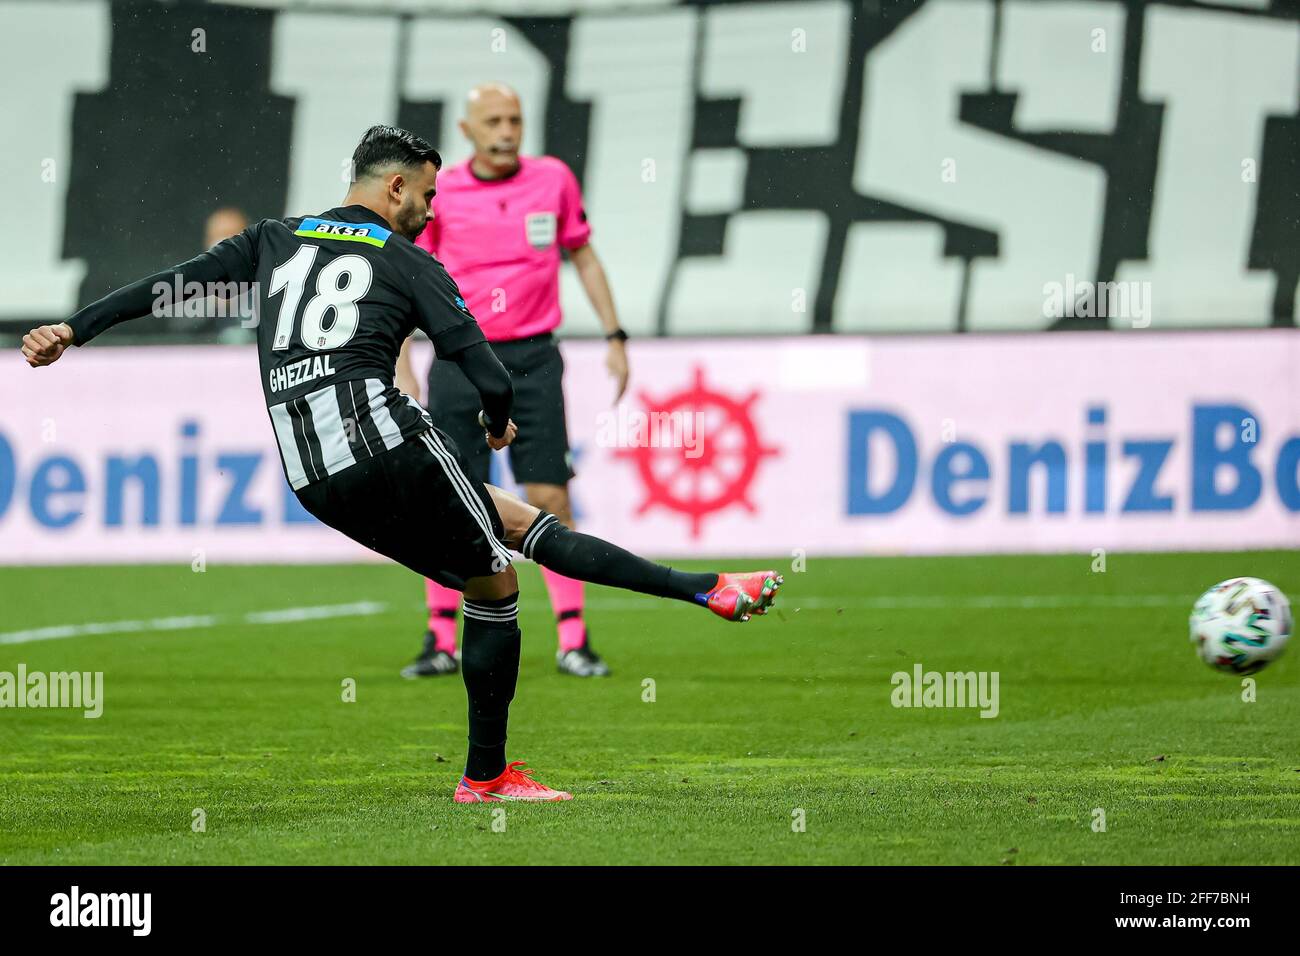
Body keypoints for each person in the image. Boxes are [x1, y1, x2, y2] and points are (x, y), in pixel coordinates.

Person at [21, 125, 782, 804]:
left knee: (515, 531)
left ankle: (705, 589)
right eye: (423, 194)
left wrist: (73, 329)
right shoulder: (406, 260)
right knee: (501, 574)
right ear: (393, 187)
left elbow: (171, 286)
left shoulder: (273, 239)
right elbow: (488, 372)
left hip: (313, 475)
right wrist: (494, 421)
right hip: (386, 441)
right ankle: (488, 776)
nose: (429, 210)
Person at [396, 83, 625, 679]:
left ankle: (574, 639)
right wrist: (403, 360)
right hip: (460, 357)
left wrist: (616, 336)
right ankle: (440, 640)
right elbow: (409, 279)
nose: (507, 130)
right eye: (493, 120)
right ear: (466, 129)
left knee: (549, 496)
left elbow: (585, 255)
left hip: (533, 358)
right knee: (454, 497)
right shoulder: (439, 194)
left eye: (515, 119)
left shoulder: (553, 179)